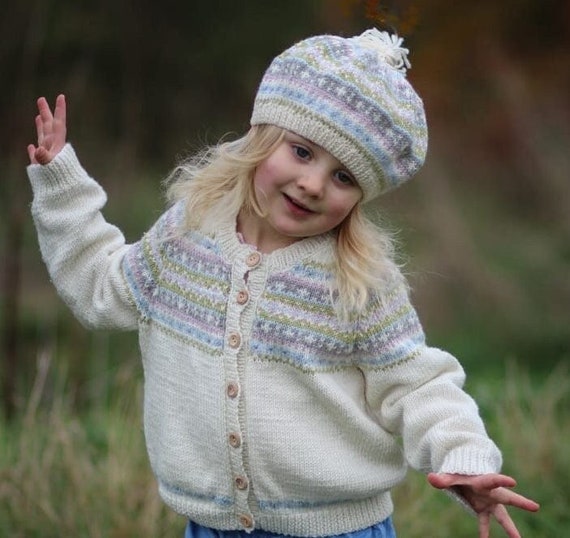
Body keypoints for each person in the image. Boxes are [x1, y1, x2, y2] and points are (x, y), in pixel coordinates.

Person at [27, 29, 539, 538]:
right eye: (300, 152)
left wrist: (464, 458)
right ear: (261, 137)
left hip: (338, 530)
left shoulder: (357, 281)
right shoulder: (188, 235)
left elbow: (415, 385)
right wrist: (61, 186)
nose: (313, 184)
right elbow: (102, 289)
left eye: (345, 177)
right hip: (210, 525)